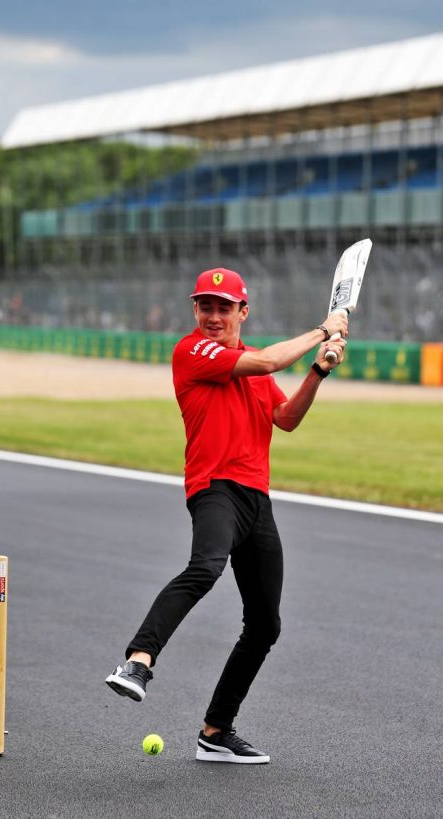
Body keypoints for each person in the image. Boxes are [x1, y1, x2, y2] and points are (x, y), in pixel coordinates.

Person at [106, 267, 348, 764]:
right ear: (196, 310)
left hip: (256, 499)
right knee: (206, 566)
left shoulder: (252, 364)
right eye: (205, 306)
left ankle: (216, 732)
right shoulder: (194, 351)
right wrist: (325, 328)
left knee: (265, 625)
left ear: (243, 311)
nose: (213, 315)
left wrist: (318, 372)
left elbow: (286, 420)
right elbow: (266, 362)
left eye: (223, 306)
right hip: (214, 487)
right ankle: (137, 662)